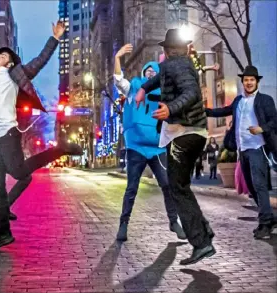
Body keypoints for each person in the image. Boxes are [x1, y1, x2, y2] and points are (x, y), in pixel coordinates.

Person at [0, 22, 82, 250]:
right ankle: (3, 234)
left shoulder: (13, 74)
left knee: (19, 172)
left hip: (7, 134)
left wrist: (55, 39)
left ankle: (59, 149)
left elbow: (38, 63)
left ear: (9, 62)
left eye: (3, 55)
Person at [136, 29, 215, 265]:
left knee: (177, 188)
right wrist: (143, 90)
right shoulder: (179, 64)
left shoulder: (176, 65)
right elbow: (158, 80)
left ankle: (201, 243)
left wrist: (170, 109)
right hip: (193, 134)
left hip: (184, 134)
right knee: (181, 186)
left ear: (166, 51)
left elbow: (190, 93)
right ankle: (204, 233)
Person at [113, 43, 186, 242]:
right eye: (148, 71)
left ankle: (173, 222)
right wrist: (117, 57)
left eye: (155, 72)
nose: (151, 74)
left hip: (157, 148)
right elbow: (119, 80)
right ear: (144, 74)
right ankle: (124, 224)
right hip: (136, 148)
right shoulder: (134, 88)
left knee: (167, 185)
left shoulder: (165, 93)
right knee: (132, 188)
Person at [205, 65, 277, 239]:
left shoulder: (265, 100)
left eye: (252, 80)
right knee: (252, 188)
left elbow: (274, 120)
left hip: (257, 148)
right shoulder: (238, 101)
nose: (249, 82)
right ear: (243, 82)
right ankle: (268, 217)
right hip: (242, 150)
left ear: (257, 82)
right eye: (246, 80)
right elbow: (223, 111)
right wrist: (204, 111)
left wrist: (261, 128)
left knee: (259, 186)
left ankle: (265, 223)